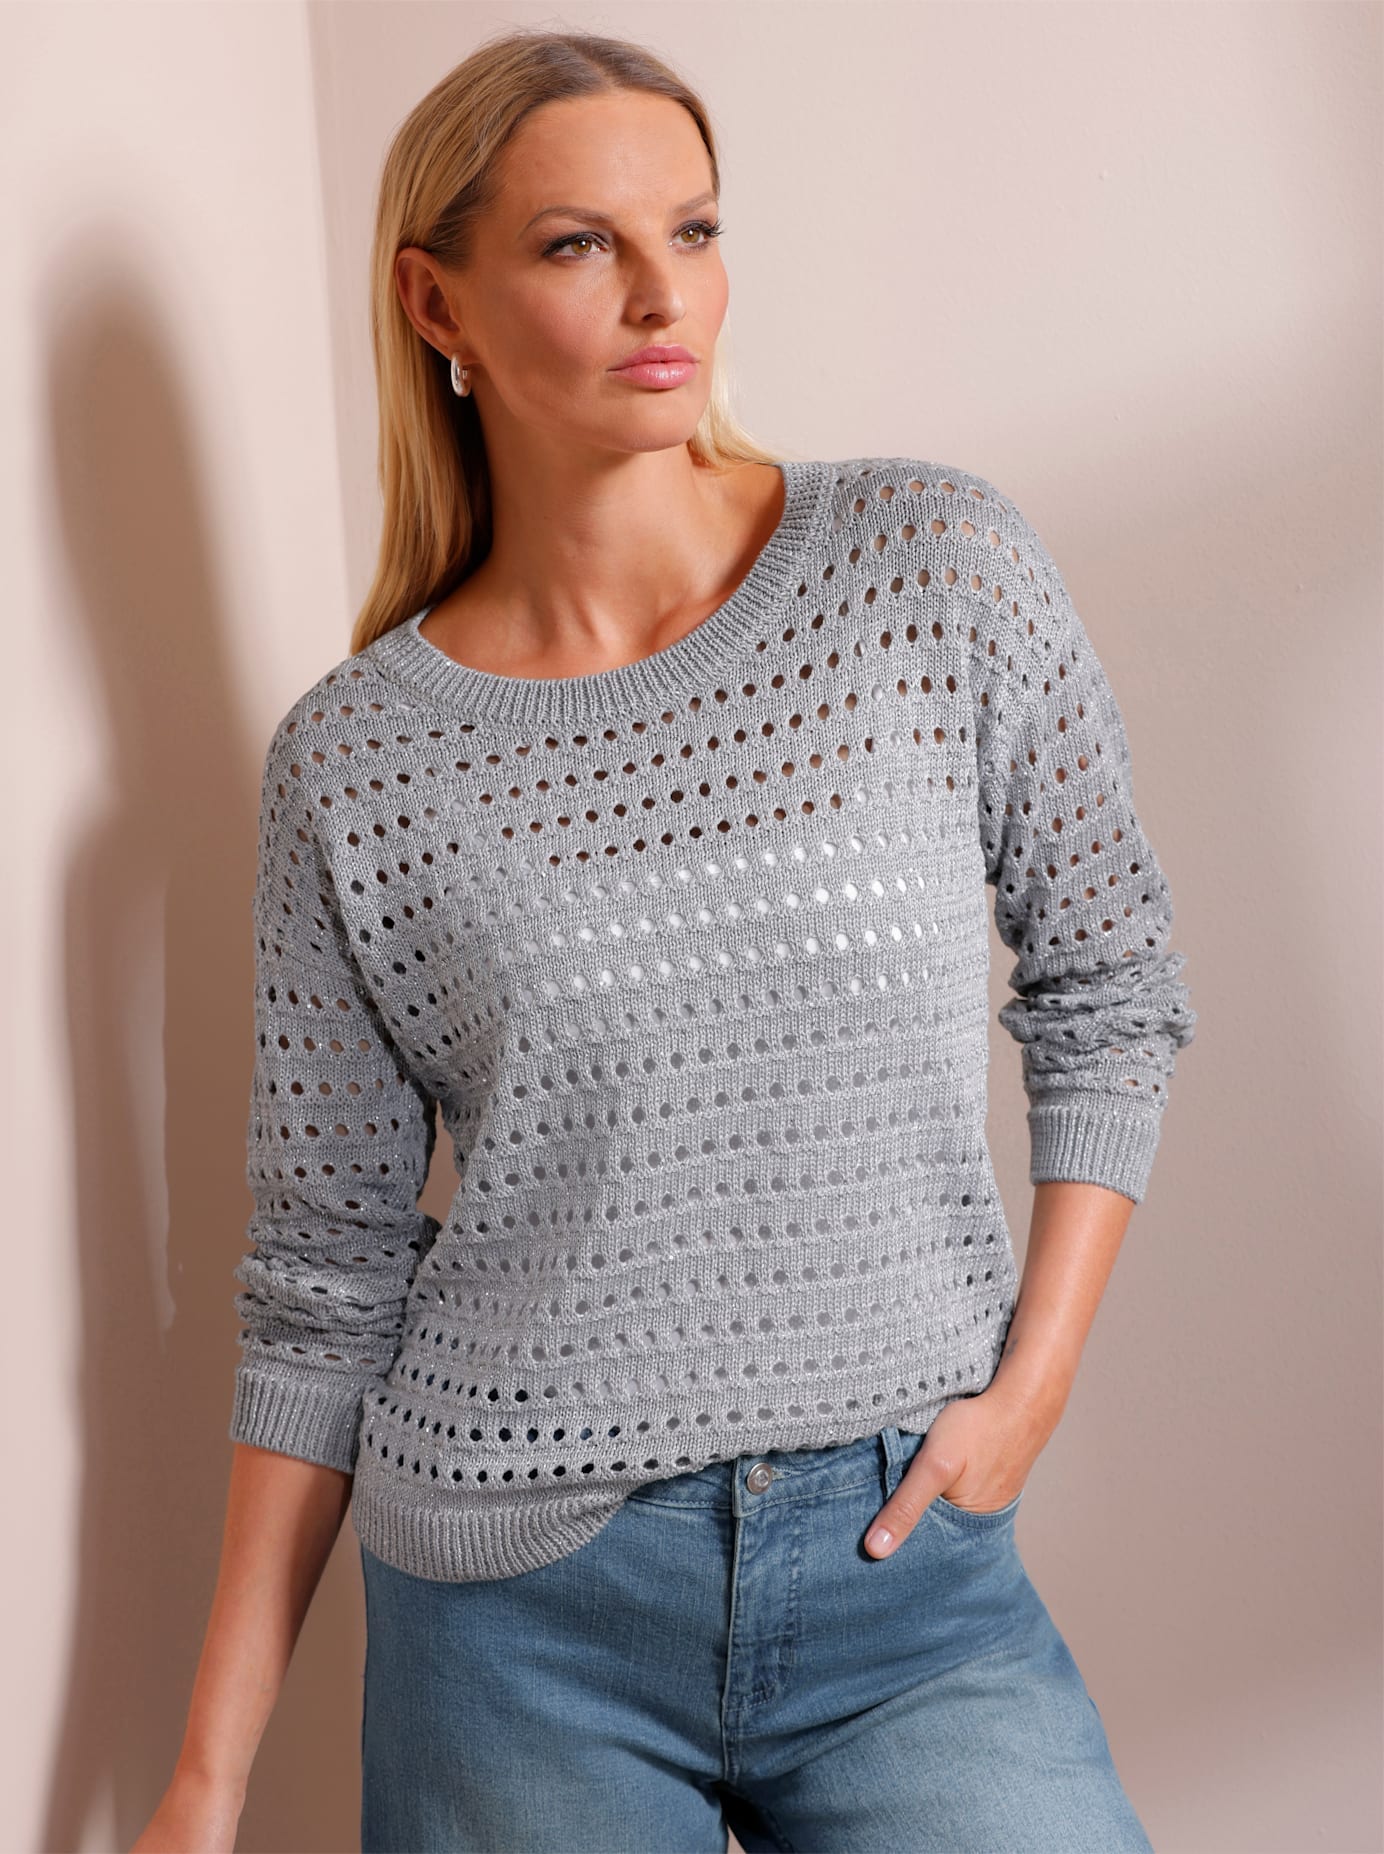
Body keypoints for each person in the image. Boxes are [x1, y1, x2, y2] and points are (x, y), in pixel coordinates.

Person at [135, 26, 1196, 1854]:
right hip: (519, 1622)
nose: (661, 293)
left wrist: (1032, 1388)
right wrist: (205, 1780)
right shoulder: (357, 760)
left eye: (693, 230)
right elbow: (323, 1272)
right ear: (436, 304)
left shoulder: (930, 567)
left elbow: (1110, 981)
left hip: (908, 1583)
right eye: (579, 244)